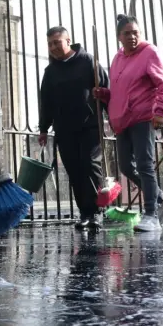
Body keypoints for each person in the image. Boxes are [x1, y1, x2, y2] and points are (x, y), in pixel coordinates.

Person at [93, 14, 163, 232]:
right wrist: (104, 94)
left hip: (142, 118)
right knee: (125, 167)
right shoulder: (117, 59)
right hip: (121, 122)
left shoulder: (149, 52)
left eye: (135, 32)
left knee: (144, 164)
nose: (132, 37)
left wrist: (160, 112)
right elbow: (118, 92)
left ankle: (150, 214)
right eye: (127, 33)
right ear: (118, 37)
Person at [38, 27, 108, 230]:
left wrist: (111, 116)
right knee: (74, 169)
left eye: (56, 42)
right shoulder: (50, 72)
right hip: (64, 128)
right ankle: (85, 212)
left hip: (89, 125)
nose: (53, 47)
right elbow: (46, 101)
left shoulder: (88, 61)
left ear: (68, 41)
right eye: (50, 44)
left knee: (89, 165)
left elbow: (105, 89)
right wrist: (44, 128)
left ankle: (97, 212)